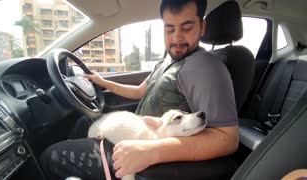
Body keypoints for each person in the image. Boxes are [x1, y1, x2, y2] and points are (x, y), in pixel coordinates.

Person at [40, 0, 239, 179]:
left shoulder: (206, 68)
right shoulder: (169, 61)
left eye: (186, 27)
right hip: (139, 133)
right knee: (83, 121)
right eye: (169, 29)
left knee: (51, 156)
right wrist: (105, 83)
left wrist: (151, 151)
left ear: (202, 27)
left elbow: (227, 139)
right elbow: (140, 91)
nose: (177, 38)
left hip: (147, 158)